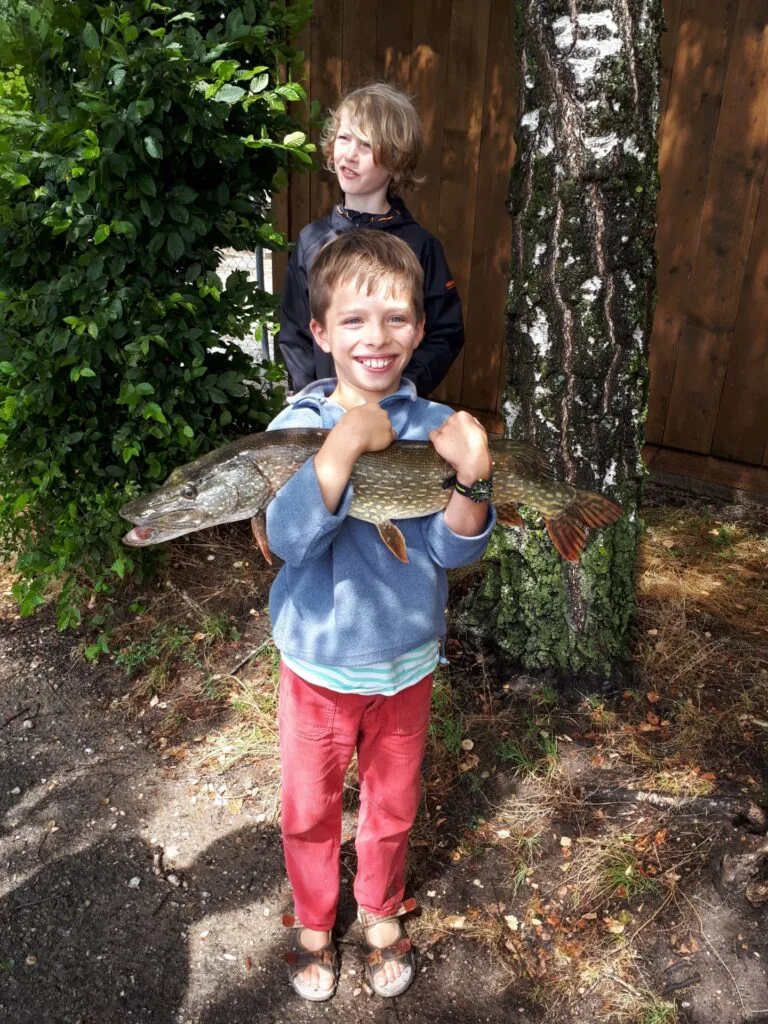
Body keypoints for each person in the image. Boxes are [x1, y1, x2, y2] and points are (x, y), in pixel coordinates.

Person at [265, 230, 495, 1001]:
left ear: (420, 330)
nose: (377, 336)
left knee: (391, 809)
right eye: (355, 320)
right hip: (317, 671)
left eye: (396, 318)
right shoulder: (296, 426)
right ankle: (313, 921)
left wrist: (474, 478)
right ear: (321, 332)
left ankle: (380, 909)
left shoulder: (437, 426)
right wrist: (340, 449)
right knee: (309, 810)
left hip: (406, 669)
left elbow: (452, 551)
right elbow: (287, 541)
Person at [277, 82, 464, 398]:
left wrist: (399, 391)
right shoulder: (312, 241)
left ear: (395, 159)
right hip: (329, 410)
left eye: (365, 145)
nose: (349, 155)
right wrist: (313, 398)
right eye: (344, 138)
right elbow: (295, 333)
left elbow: (445, 332)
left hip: (394, 414)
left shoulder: (420, 247)